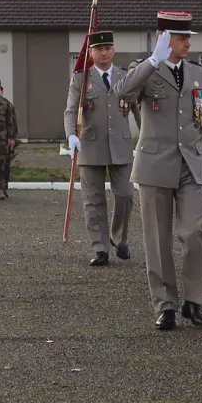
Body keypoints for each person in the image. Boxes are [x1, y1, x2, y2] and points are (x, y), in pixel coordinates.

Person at [114, 11, 202, 331]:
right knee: (158, 239)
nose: (187, 43)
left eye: (188, 38)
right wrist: (152, 63)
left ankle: (193, 301)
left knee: (194, 233)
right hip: (155, 165)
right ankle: (165, 304)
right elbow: (122, 93)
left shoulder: (198, 72)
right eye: (182, 37)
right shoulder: (144, 71)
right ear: (165, 40)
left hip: (191, 166)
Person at [63, 31, 138, 266]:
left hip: (121, 145)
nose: (103, 52)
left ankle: (119, 238)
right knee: (93, 200)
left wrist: (148, 136)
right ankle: (100, 248)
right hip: (91, 143)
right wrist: (71, 135)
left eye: (108, 48)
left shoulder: (126, 77)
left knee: (125, 194)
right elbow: (71, 110)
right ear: (91, 53)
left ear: (113, 50)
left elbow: (138, 110)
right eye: (99, 49)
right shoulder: (81, 79)